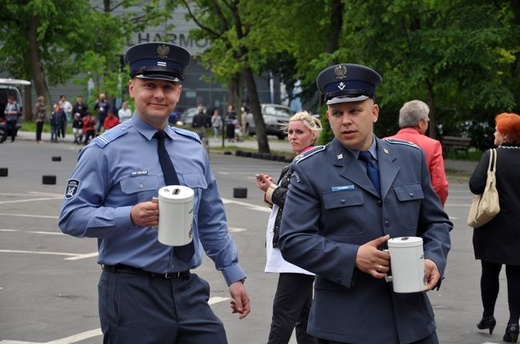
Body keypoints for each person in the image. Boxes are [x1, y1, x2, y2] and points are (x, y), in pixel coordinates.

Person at [58, 41, 250, 343]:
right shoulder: (104, 150)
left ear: (178, 93)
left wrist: (232, 273)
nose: (159, 94)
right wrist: (130, 216)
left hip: (188, 290)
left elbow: (211, 218)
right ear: (133, 88)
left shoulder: (193, 147)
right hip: (132, 292)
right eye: (150, 85)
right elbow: (71, 217)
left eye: (168, 87)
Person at [278, 63, 452, 344]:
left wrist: (434, 258)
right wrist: (351, 256)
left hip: (412, 322)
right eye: (337, 113)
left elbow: (435, 222)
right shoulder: (310, 169)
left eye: (355, 111)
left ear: (374, 112)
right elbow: (293, 240)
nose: (345, 120)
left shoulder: (409, 157)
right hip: (346, 326)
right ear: (328, 117)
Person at [255, 111, 322, 344]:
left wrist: (272, 191)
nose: (293, 136)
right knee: (303, 314)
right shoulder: (298, 162)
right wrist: (271, 188)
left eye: (299, 132)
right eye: (290, 132)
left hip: (299, 247)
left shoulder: (311, 163)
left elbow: (298, 202)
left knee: (283, 313)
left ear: (313, 135)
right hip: (295, 247)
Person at [470, 112, 520, 343]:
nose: (494, 133)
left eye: (497, 130)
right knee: (516, 276)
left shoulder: (492, 156)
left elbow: (475, 185)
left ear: (506, 135)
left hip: (493, 226)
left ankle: (488, 317)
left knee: (489, 273)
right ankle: (513, 324)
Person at [386, 100, 449, 206]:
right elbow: (440, 185)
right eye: (427, 120)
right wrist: (436, 208)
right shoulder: (432, 145)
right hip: (420, 207)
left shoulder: (384, 143)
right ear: (421, 123)